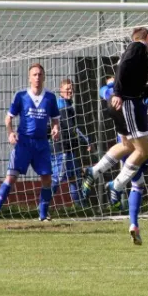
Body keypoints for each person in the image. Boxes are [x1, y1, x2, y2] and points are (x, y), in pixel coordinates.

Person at [90, 77, 148, 243]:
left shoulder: (111, 94)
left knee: (137, 185)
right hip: (141, 146)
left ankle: (134, 225)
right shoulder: (135, 96)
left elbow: (102, 90)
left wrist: (111, 83)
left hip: (125, 150)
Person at [97, 27, 148, 207]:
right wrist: (118, 93)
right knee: (144, 151)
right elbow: (122, 67)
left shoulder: (136, 53)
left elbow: (134, 84)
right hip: (128, 104)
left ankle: (95, 172)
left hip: (124, 103)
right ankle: (117, 184)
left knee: (127, 146)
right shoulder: (138, 47)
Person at [0, 63, 60, 222]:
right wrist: (10, 133)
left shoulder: (50, 97)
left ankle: (43, 214)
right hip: (24, 143)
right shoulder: (21, 96)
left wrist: (56, 129)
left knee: (47, 178)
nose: (37, 77)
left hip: (42, 144)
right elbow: (8, 118)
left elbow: (55, 119)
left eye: (40, 74)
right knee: (11, 177)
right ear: (29, 78)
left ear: (44, 77)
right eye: (34, 74)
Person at [51, 78, 93, 208]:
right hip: (62, 148)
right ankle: (43, 205)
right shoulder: (62, 105)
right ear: (61, 90)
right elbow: (71, 127)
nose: (70, 91)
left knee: (74, 178)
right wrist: (86, 140)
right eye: (67, 89)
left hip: (70, 149)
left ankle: (80, 207)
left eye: (72, 89)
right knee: (57, 178)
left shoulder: (68, 105)